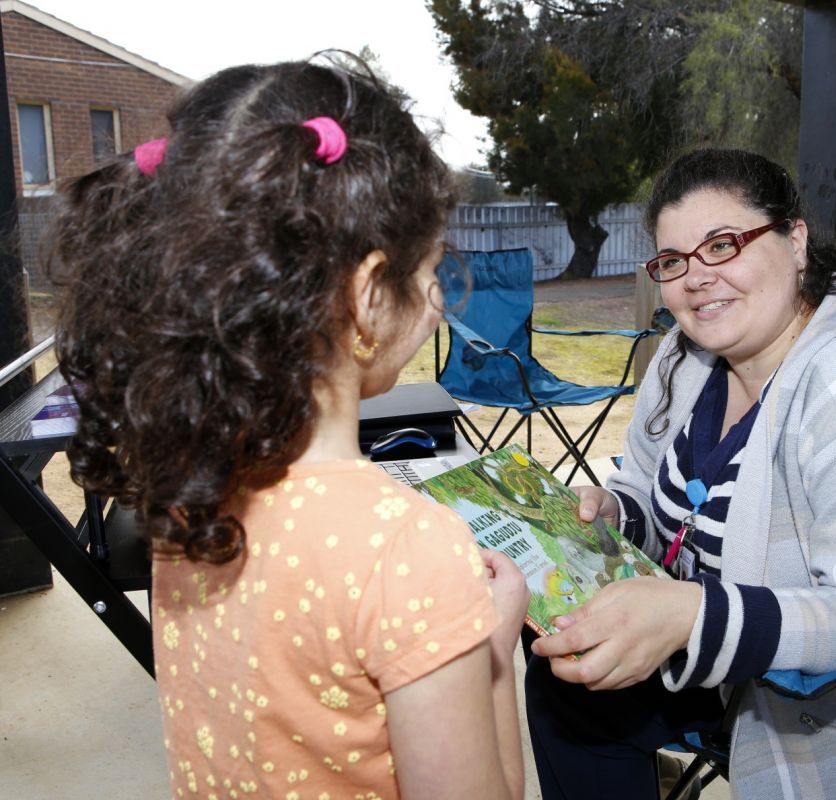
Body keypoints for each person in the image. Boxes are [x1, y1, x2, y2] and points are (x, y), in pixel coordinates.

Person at [49, 58, 528, 800]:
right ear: (370, 295)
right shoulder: (412, 551)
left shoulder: (189, 503)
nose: (438, 298)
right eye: (432, 268)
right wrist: (493, 654)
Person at [524, 148, 836, 799]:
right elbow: (653, 497)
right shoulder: (687, 352)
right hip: (719, 649)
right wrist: (616, 515)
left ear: (795, 242)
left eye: (723, 245)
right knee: (565, 679)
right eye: (673, 261)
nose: (695, 279)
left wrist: (686, 618)